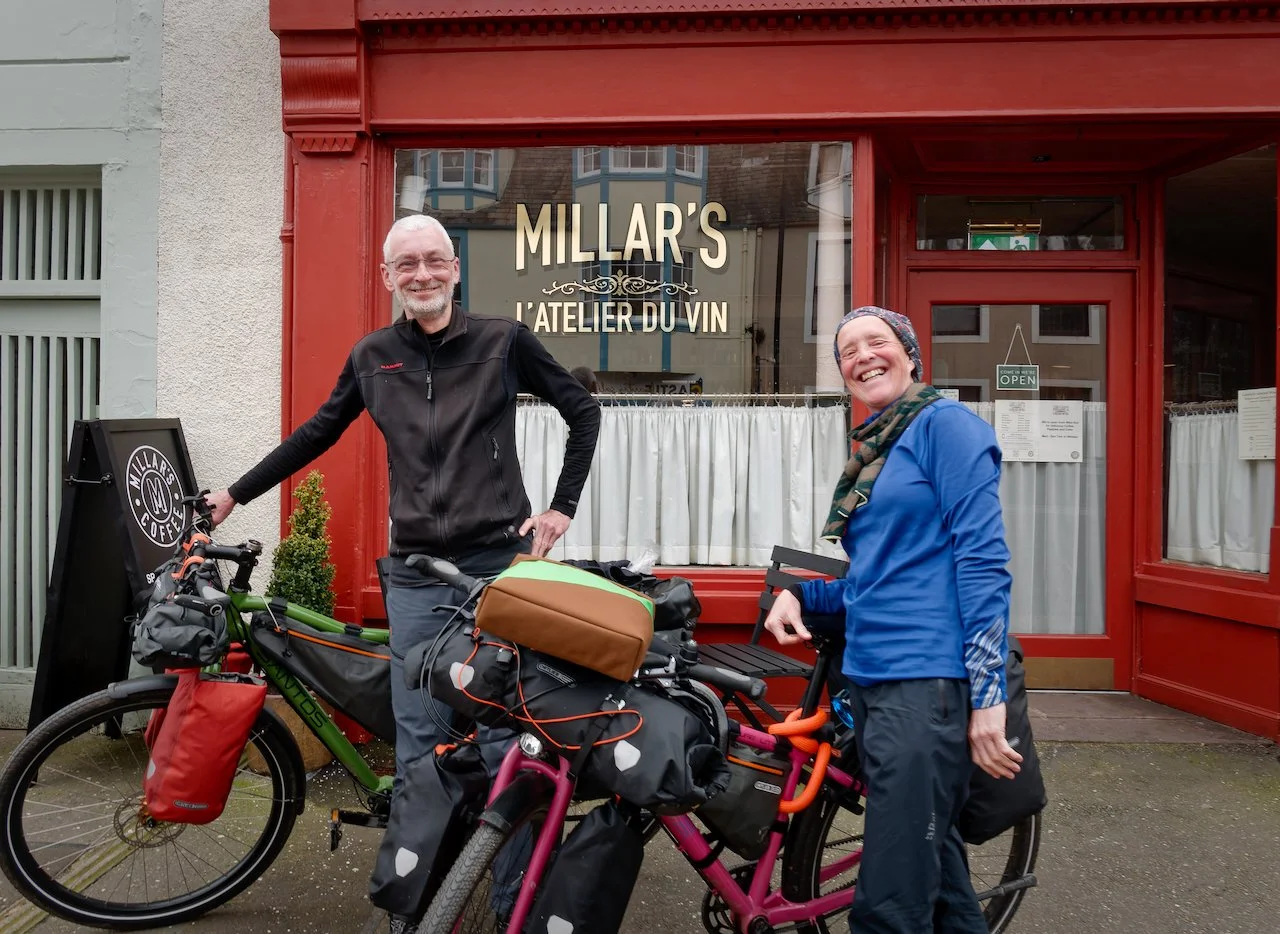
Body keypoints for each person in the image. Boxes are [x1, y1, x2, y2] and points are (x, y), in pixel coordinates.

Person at [205, 211, 600, 782]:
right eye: (406, 265)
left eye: (435, 261)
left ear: (455, 270)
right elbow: (318, 433)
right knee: (419, 723)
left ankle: (511, 870)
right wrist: (236, 495)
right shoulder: (373, 356)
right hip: (417, 571)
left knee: (502, 726)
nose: (423, 275)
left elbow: (583, 412)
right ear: (388, 277)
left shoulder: (504, 341)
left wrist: (562, 507)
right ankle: (427, 860)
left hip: (498, 564)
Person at [763, 305, 1021, 933]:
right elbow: (878, 581)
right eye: (847, 351)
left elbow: (983, 563)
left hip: (925, 687)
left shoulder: (946, 427)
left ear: (910, 355)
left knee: (886, 907)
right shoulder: (878, 450)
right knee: (939, 886)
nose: (861, 356)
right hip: (874, 685)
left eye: (877, 342)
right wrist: (799, 594)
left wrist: (988, 700)